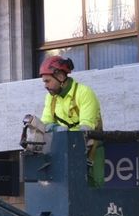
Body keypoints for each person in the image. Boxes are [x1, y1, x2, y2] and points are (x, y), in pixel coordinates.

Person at [38, 54, 104, 187]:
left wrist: (65, 133)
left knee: (93, 188)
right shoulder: (51, 97)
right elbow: (45, 124)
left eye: (48, 81)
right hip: (64, 150)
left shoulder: (84, 93)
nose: (45, 85)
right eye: (44, 81)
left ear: (61, 77)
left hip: (91, 151)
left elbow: (86, 128)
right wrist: (57, 129)